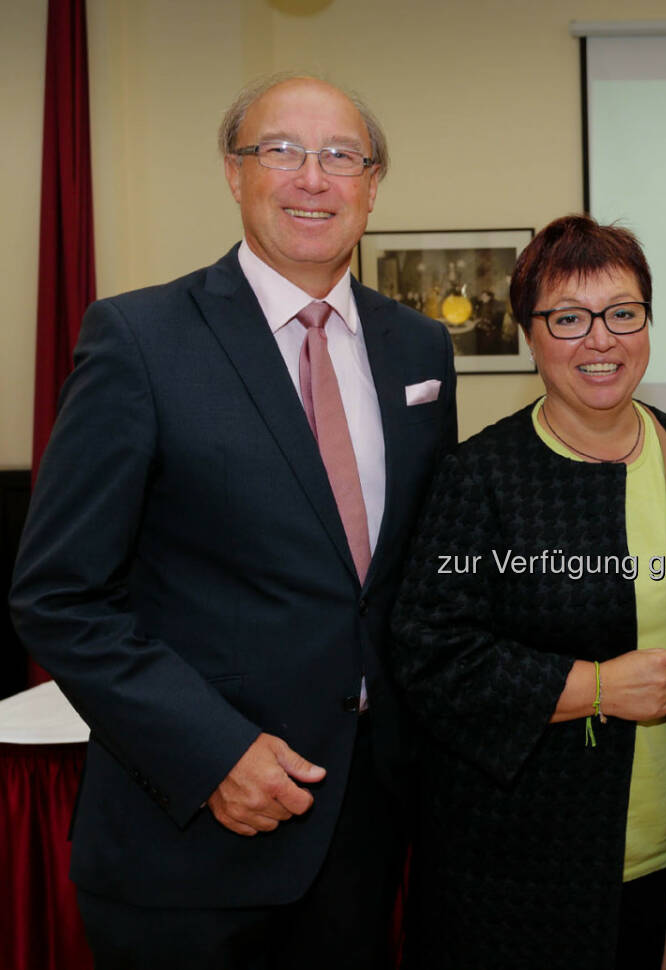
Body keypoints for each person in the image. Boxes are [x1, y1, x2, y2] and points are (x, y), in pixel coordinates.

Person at [8, 73, 457, 967]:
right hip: (188, 845)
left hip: (362, 832)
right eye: (281, 151)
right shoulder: (139, 340)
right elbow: (58, 595)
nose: (312, 178)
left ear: (373, 185)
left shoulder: (418, 346)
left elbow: (406, 577)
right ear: (233, 171)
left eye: (341, 157)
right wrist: (213, 754)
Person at [388, 214, 666, 969]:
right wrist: (595, 686)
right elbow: (428, 653)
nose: (601, 339)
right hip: (512, 870)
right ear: (530, 335)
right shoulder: (480, 478)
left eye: (622, 313)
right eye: (569, 318)